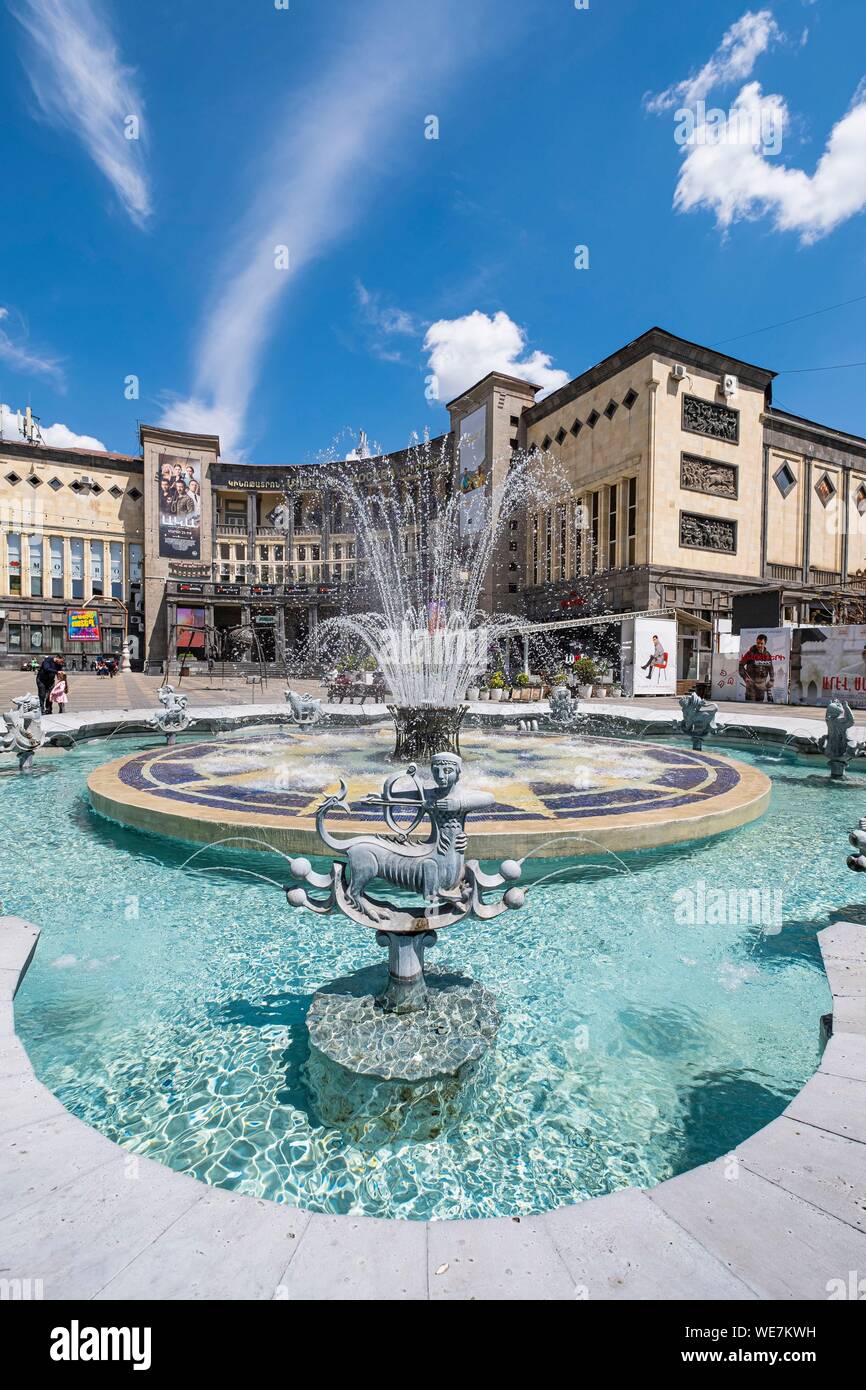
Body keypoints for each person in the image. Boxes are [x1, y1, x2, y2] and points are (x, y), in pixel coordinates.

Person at [739, 633, 775, 702]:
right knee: (749, 704)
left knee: (759, 705)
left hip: (761, 685)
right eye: (758, 643)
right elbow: (741, 666)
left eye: (761, 643)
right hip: (751, 684)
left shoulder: (767, 655)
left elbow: (770, 668)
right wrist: (745, 677)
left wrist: (772, 680)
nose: (759, 645)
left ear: (765, 644)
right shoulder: (750, 653)